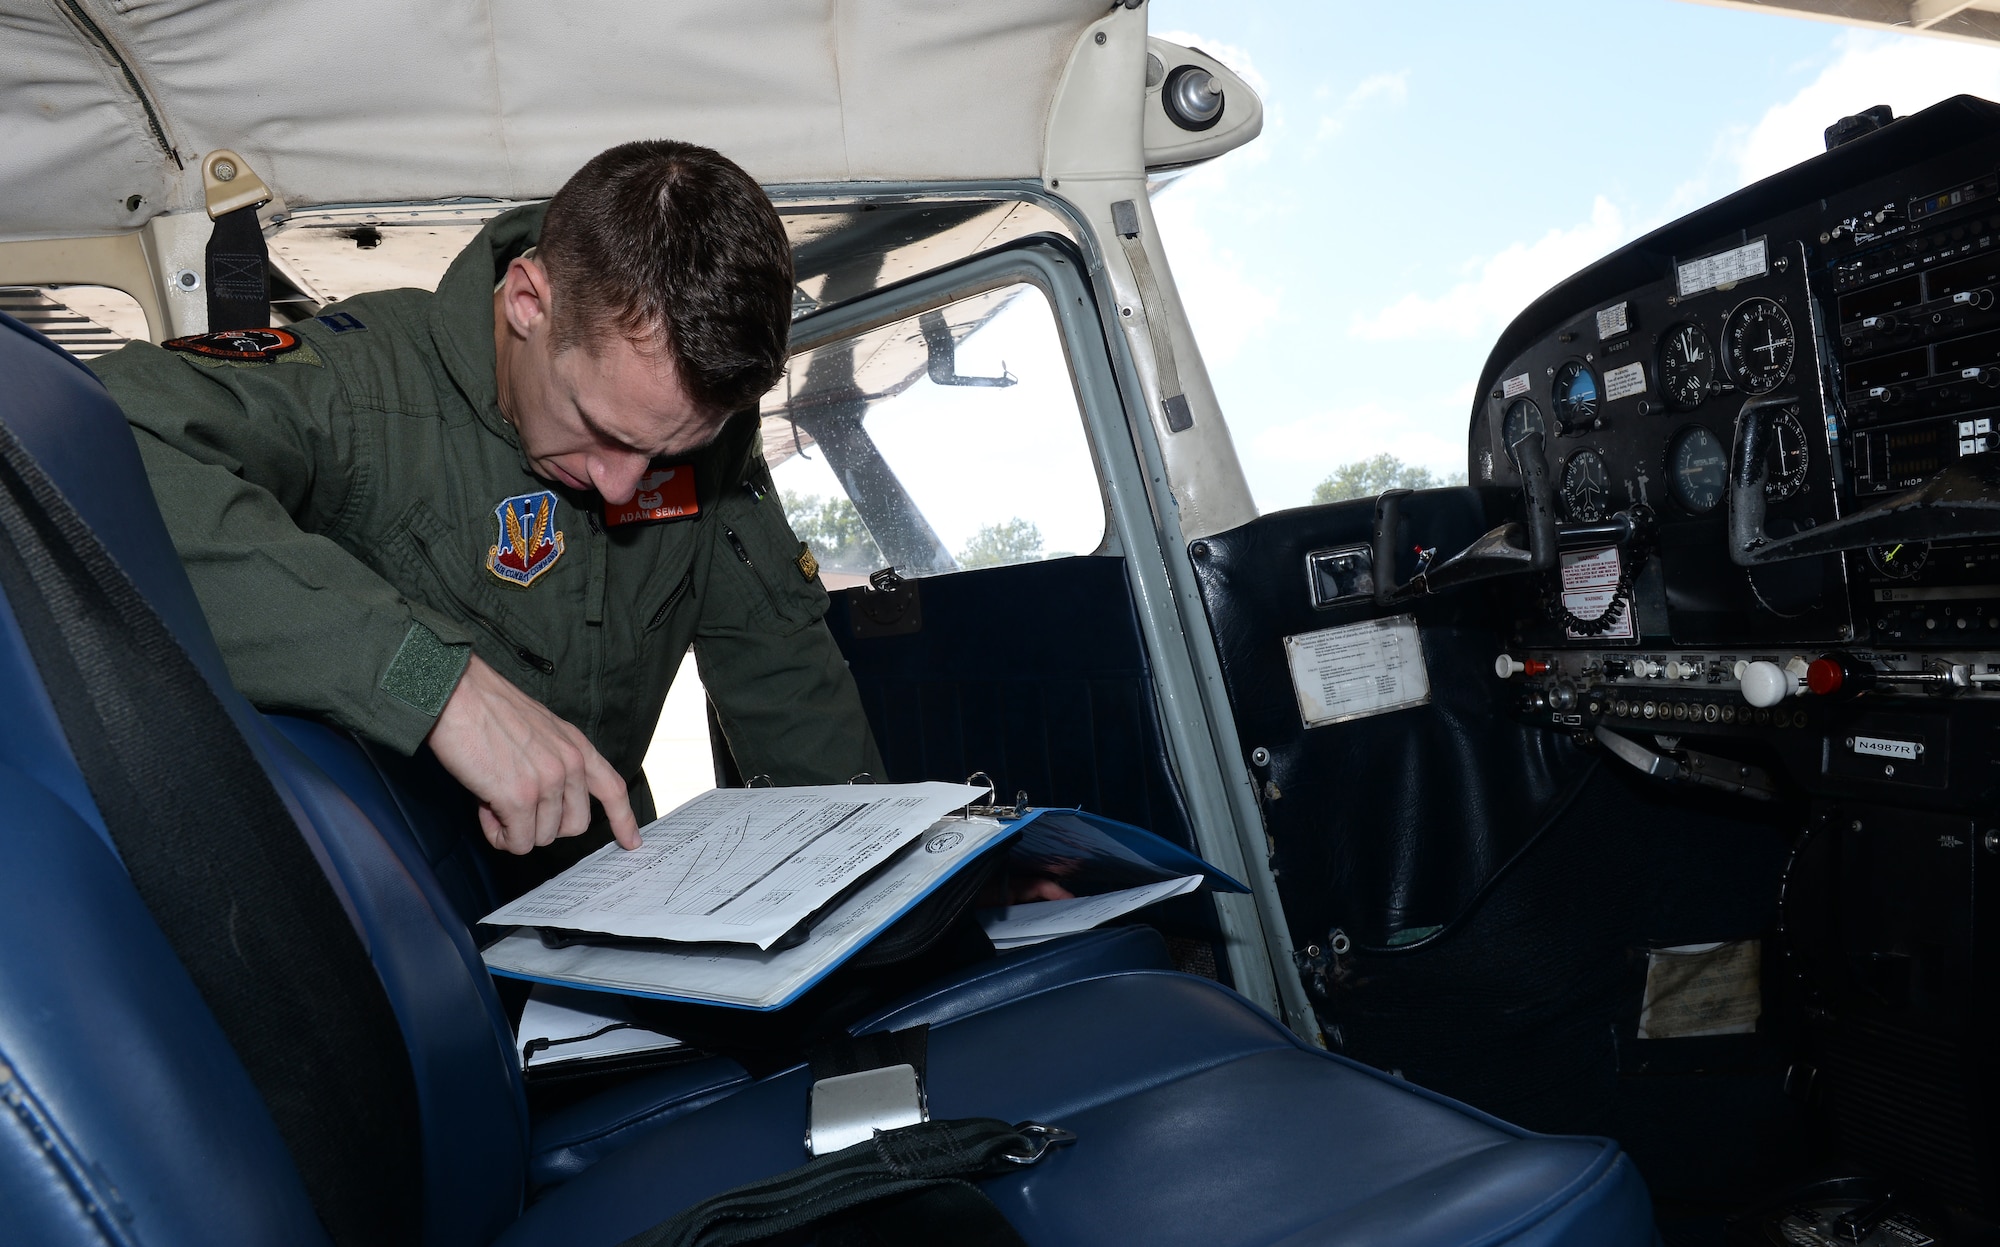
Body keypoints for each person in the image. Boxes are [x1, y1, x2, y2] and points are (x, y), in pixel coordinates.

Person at [90, 140, 884, 890]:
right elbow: (93, 446)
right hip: (391, 920)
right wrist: (437, 682)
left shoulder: (692, 429)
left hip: (602, 910)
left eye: (664, 454)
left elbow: (784, 675)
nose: (621, 487)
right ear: (528, 301)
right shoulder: (362, 388)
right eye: (603, 431)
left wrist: (876, 870)